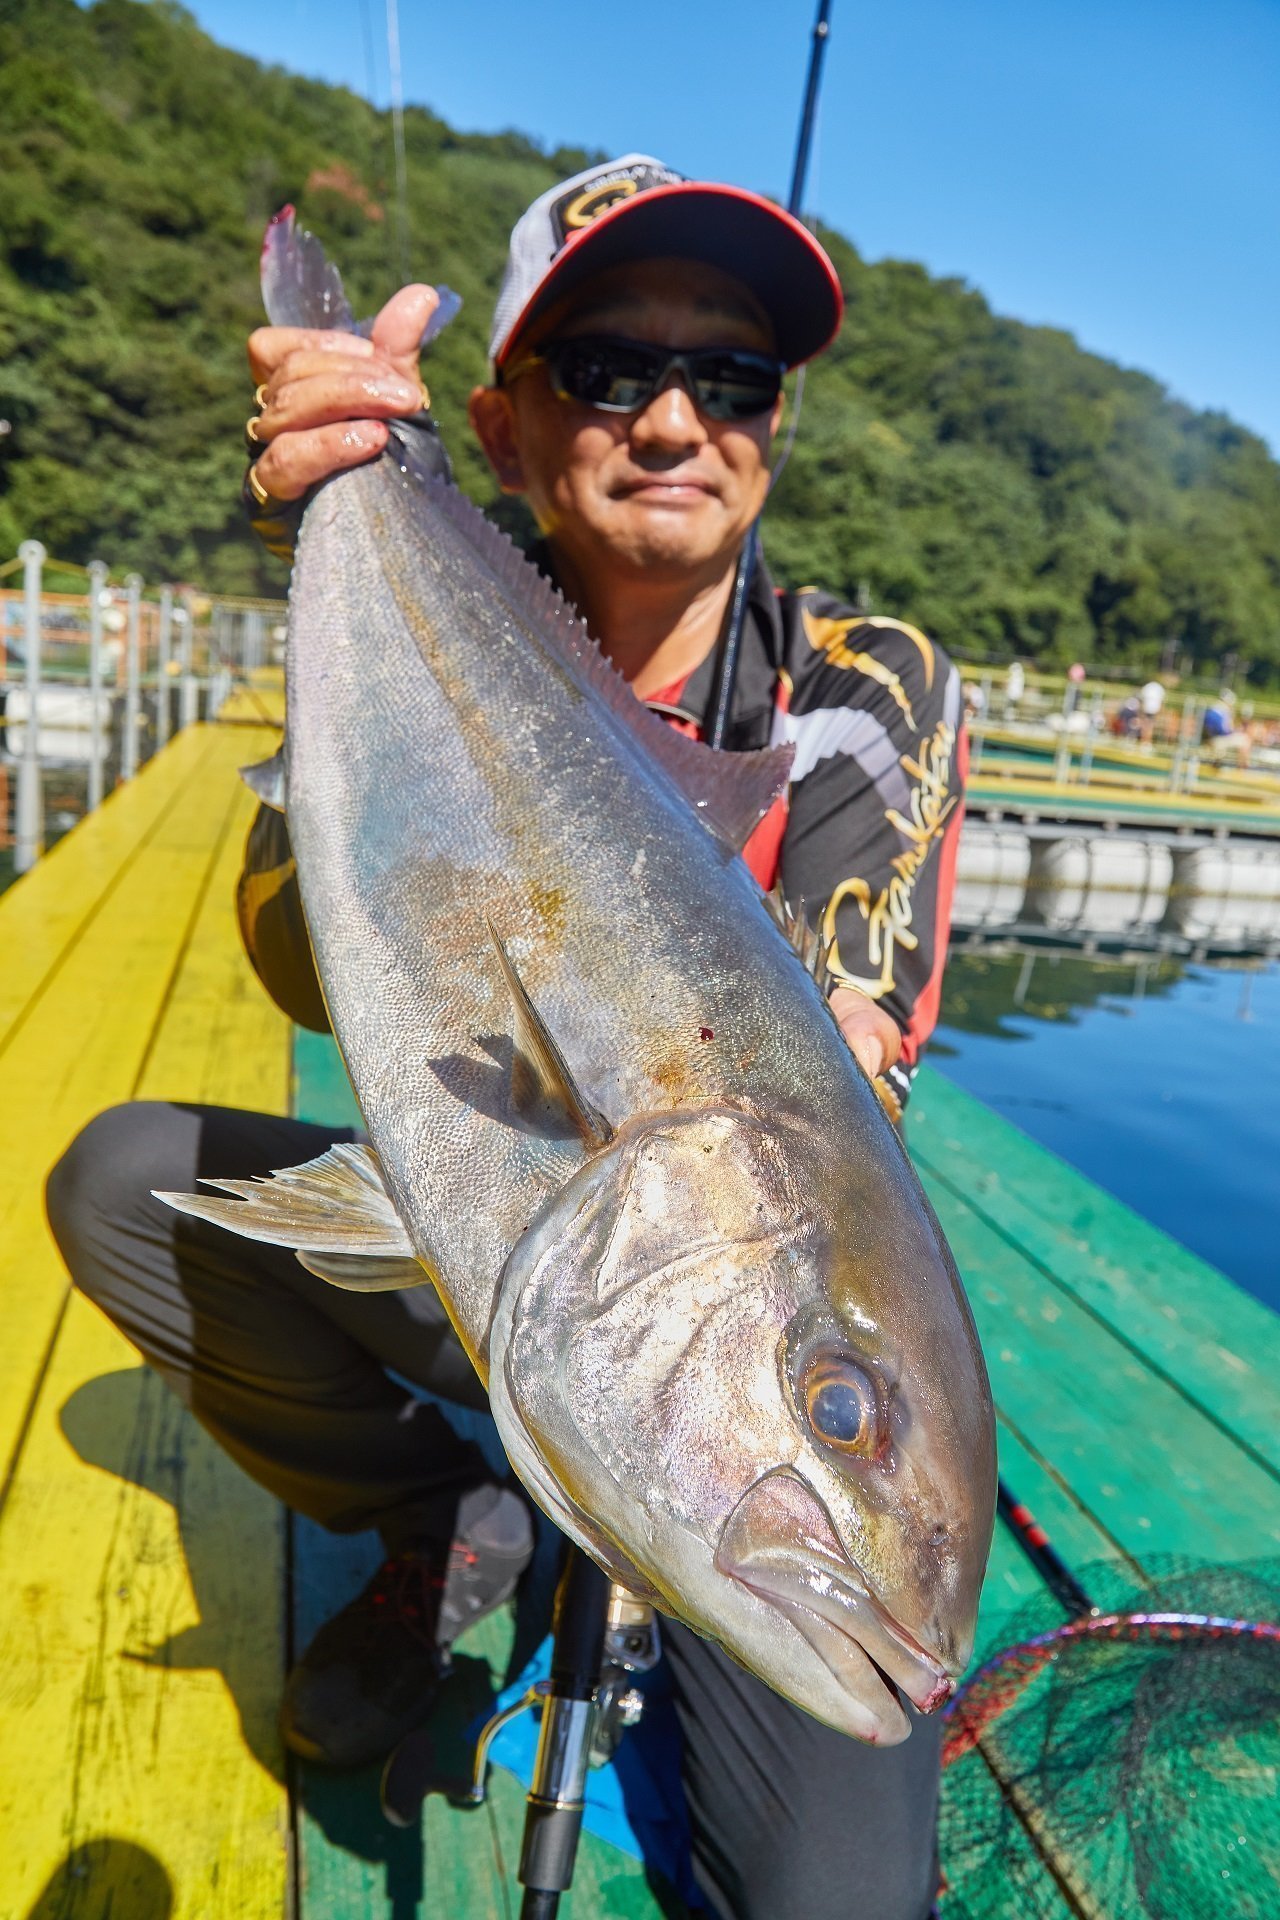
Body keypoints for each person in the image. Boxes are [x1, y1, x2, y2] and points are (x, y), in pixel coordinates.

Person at [47, 155, 966, 1920]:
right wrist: (334, 528)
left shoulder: (865, 690)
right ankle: (435, 1518)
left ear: (776, 428)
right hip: (493, 1242)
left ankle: (621, 1501)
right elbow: (308, 971)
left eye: (737, 377)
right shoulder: (396, 594)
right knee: (128, 1185)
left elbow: (846, 1071)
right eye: (612, 369)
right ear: (504, 418)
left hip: (692, 1287)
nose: (678, 417)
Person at [1138, 676, 1165, 745]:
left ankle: (1145, 742)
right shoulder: (1159, 688)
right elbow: (1161, 701)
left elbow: (1142, 699)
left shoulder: (1147, 687)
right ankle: (1146, 742)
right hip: (1153, 709)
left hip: (1148, 709)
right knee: (1149, 726)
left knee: (1146, 726)